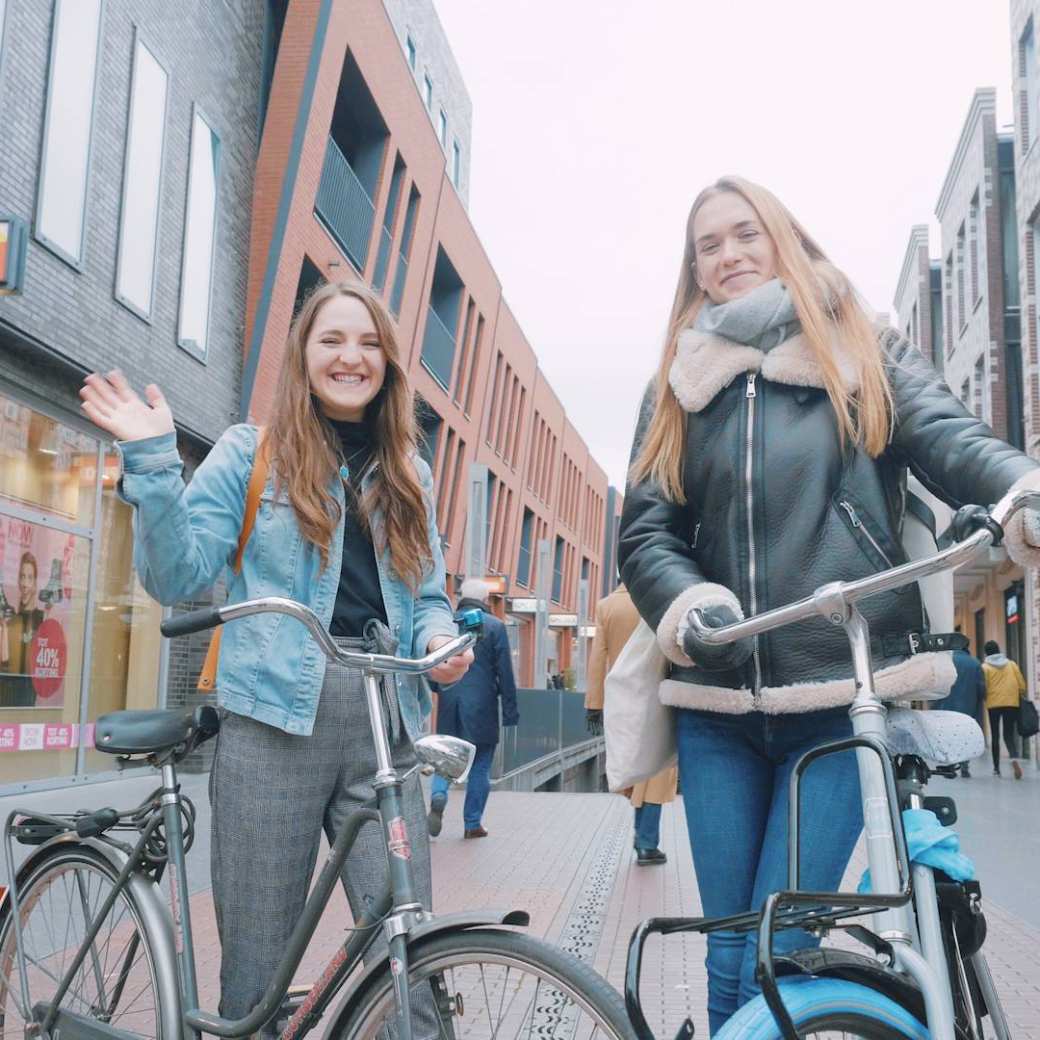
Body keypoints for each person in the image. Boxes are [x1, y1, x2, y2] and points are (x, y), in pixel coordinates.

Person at [618, 175, 1040, 1034]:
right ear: (693, 269)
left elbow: (947, 434)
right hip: (715, 707)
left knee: (784, 947)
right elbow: (645, 534)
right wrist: (690, 603)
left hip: (837, 700)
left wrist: (1021, 490)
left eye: (746, 234)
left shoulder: (858, 346)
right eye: (708, 245)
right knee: (728, 948)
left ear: (783, 237)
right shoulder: (677, 385)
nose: (728, 255)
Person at [79, 281, 473, 1036]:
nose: (350, 357)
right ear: (304, 354)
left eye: (367, 343)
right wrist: (154, 461)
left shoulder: (410, 475)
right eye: (332, 340)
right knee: (257, 973)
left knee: (408, 952)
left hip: (384, 722)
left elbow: (424, 596)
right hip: (270, 722)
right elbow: (179, 578)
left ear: (388, 362)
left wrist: (433, 641)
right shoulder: (249, 453)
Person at [585, 582, 677, 865]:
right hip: (659, 691)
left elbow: (598, 657)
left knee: (632, 762)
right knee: (658, 769)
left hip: (620, 696)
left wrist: (594, 704)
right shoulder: (661, 597)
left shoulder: (607, 605)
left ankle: (644, 837)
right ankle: (647, 841)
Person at [427, 578, 518, 838]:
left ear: (460, 596)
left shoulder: (446, 625)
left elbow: (433, 663)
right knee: (480, 764)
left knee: (445, 758)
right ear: (486, 600)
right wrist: (511, 711)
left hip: (449, 701)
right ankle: (472, 824)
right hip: (483, 706)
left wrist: (437, 689)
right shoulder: (495, 627)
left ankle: (438, 794)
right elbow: (505, 673)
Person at [934, 632, 985, 777]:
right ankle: (964, 765)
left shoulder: (946, 662)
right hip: (969, 707)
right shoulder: (975, 663)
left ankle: (950, 763)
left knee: (950, 734)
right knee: (965, 736)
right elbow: (981, 688)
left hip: (947, 706)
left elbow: (937, 686)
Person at [0, 551, 45, 707]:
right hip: (6, 693)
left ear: (35, 582)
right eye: (22, 576)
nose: (25, 583)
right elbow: (5, 663)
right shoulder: (12, 617)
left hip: (26, 693)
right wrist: (4, 628)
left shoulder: (41, 618)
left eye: (30, 577)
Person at [982, 638, 1027, 779]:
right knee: (1008, 735)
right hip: (1011, 703)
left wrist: (986, 698)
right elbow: (1021, 685)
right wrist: (1018, 694)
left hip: (993, 704)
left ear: (986, 652)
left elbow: (984, 687)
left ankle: (996, 769)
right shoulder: (1011, 664)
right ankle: (1014, 758)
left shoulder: (985, 667)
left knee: (995, 735)